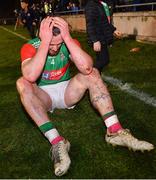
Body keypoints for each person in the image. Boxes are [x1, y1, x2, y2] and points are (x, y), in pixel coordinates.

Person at [16, 16, 154, 177]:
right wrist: (45, 43)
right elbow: (30, 76)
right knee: (22, 83)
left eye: (58, 43)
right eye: (51, 43)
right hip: (44, 96)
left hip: (67, 91)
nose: (55, 48)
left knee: (93, 73)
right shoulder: (31, 46)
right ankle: (57, 141)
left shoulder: (67, 42)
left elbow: (87, 67)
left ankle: (114, 131)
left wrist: (67, 39)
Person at [85, 0, 122, 73]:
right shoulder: (91, 5)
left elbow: (104, 21)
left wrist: (113, 30)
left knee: (101, 60)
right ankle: (88, 74)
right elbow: (90, 25)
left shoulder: (100, 4)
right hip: (98, 39)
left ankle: (95, 78)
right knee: (104, 60)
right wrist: (95, 40)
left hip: (102, 37)